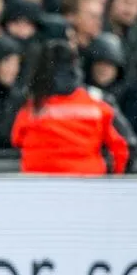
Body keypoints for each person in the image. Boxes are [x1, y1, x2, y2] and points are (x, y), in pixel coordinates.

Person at [11, 40, 130, 175]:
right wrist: (115, 176)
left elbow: (17, 139)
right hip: (87, 180)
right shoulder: (96, 106)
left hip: (39, 181)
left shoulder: (31, 107)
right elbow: (120, 147)